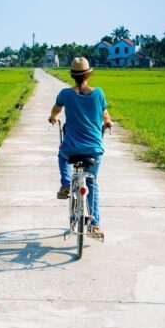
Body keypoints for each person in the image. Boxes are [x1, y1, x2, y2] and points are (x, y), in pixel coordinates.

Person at [48, 57, 112, 239]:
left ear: (72, 76)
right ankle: (96, 224)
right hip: (94, 149)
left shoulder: (66, 94)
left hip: (72, 148)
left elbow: (56, 109)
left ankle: (66, 184)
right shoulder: (98, 93)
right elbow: (105, 113)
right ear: (88, 75)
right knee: (92, 182)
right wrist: (107, 122)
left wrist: (52, 117)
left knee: (62, 155)